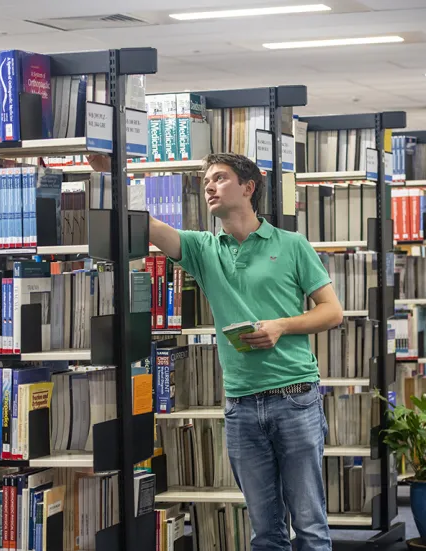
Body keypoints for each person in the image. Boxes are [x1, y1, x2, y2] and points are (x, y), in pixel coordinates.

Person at [90, 152, 342, 550]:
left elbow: (332, 312)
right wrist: (113, 175)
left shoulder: (292, 245)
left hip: (295, 399)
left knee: (310, 526)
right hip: (241, 406)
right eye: (206, 180)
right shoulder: (203, 249)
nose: (209, 186)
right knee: (265, 531)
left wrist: (280, 326)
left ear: (248, 187)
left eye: (220, 178)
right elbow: (148, 224)